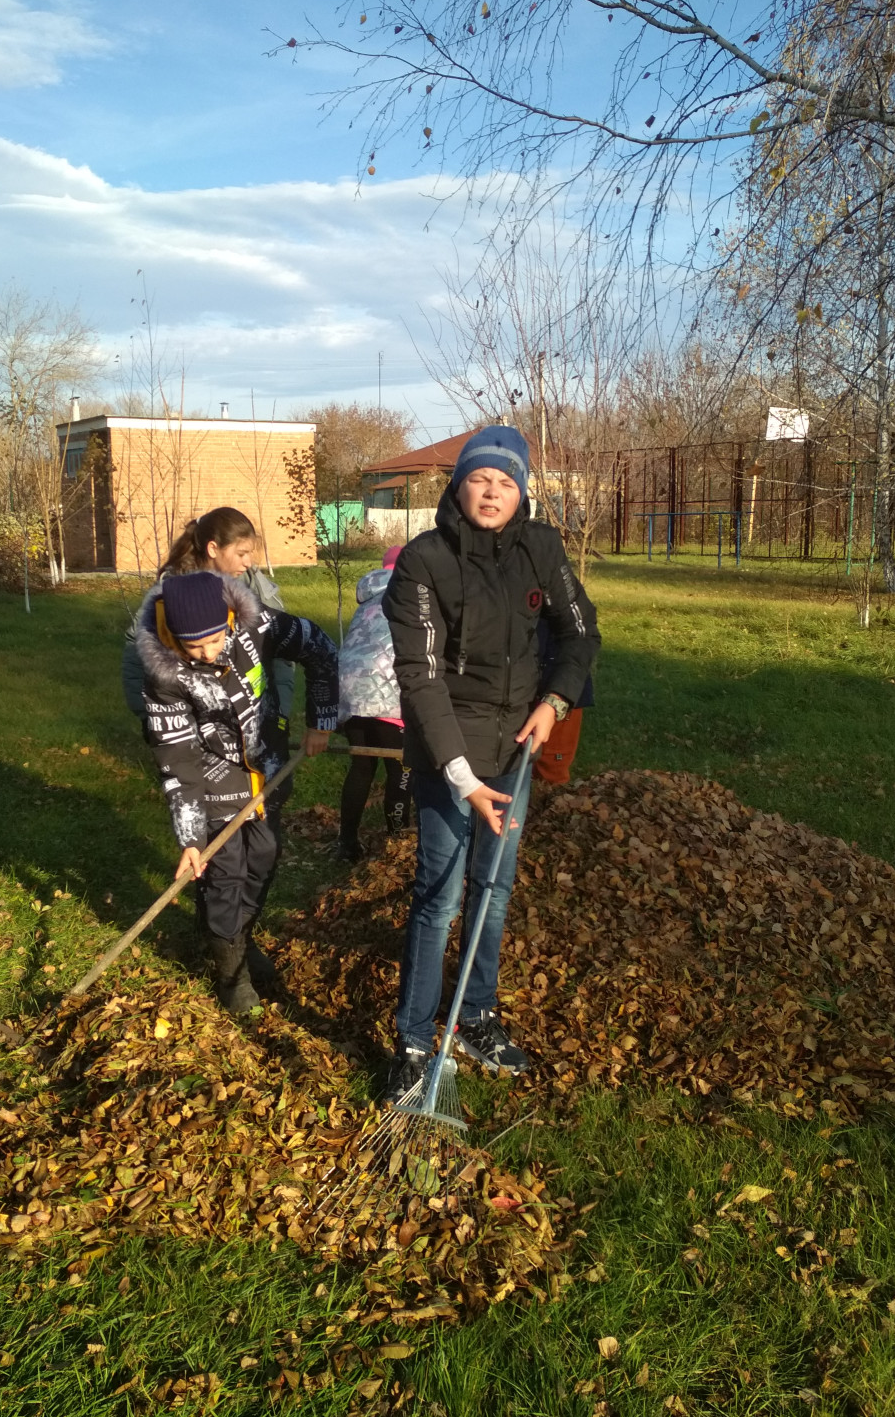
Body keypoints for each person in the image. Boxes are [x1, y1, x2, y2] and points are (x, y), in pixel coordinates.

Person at [381, 425, 600, 1099]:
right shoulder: (423, 562)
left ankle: (475, 1015)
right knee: (440, 895)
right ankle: (414, 1040)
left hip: (516, 745)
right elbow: (420, 679)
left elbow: (580, 631)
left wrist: (555, 701)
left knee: (494, 888)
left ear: (521, 492)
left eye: (506, 482)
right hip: (448, 746)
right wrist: (461, 778)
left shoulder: (541, 548)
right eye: (480, 478)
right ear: (458, 485)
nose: (492, 492)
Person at [135, 568, 338, 1011]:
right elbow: (178, 760)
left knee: (263, 858)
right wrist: (191, 839)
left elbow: (320, 647)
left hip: (267, 769)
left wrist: (321, 721)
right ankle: (232, 976)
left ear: (229, 617)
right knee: (225, 874)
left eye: (215, 639)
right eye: (194, 646)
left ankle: (237, 939)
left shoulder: (258, 624)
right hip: (213, 777)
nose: (208, 653)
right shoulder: (164, 676)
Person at [122, 506, 293, 727]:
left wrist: (280, 713)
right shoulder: (172, 592)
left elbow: (283, 652)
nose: (248, 562)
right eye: (241, 554)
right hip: (196, 724)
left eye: (250, 553)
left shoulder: (256, 588)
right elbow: (136, 648)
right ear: (213, 549)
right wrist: (149, 718)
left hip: (257, 721)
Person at [336, 546, 412, 861]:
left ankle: (347, 844)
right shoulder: (410, 594)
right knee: (401, 769)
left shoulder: (368, 599)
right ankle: (398, 844)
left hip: (351, 690)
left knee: (362, 767)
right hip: (387, 693)